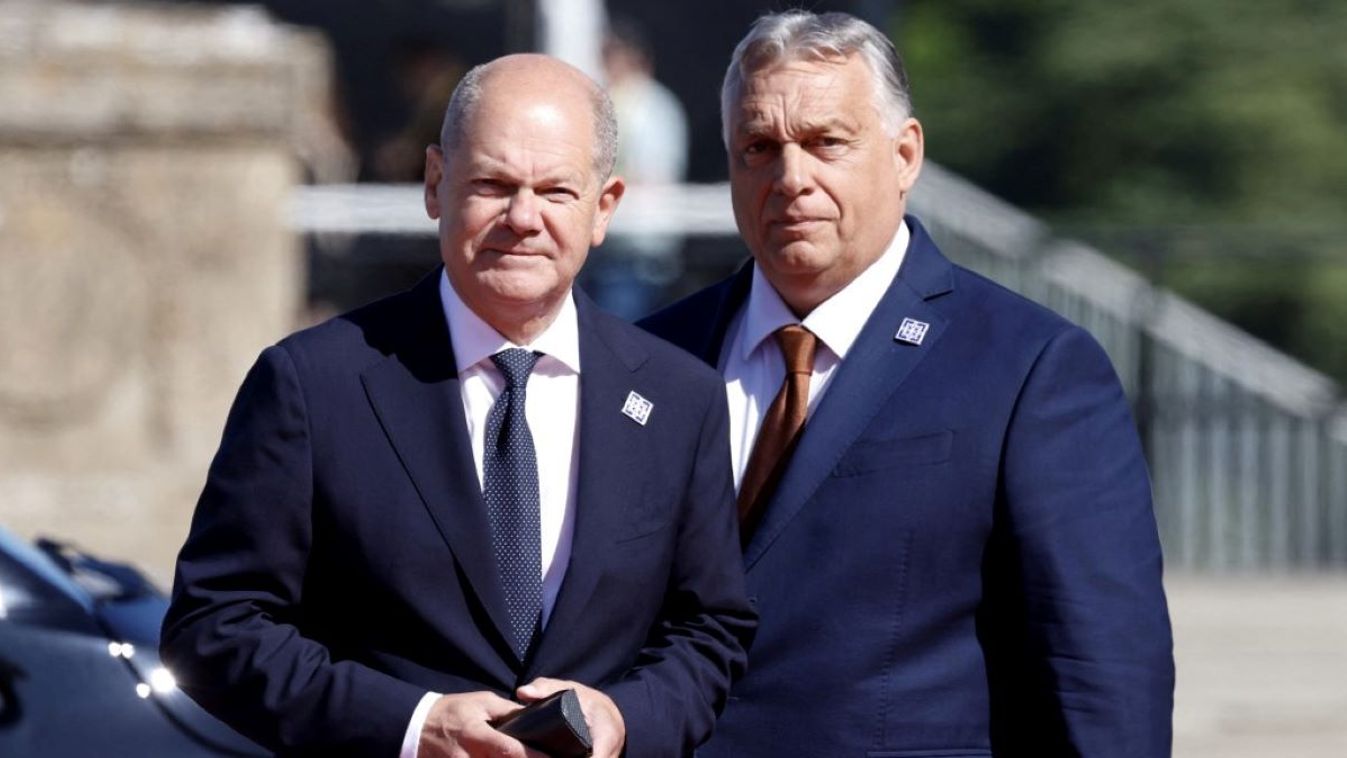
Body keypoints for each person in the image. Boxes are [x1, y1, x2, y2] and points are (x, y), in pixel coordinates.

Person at [161, 54, 754, 758]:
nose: (523, 218)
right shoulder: (312, 385)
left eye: (555, 191)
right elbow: (213, 627)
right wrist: (414, 726)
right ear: (436, 185)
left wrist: (624, 720)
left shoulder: (677, 398)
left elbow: (706, 630)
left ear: (604, 208)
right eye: (492, 184)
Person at [640, 11, 1174, 757]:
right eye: (759, 147)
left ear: (903, 154)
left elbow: (1098, 669)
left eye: (827, 142)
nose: (791, 178)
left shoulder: (1028, 368)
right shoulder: (653, 358)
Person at [580, 19, 691, 320]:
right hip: (608, 251)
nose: (603, 67)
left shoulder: (651, 107)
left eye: (608, 56)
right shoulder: (619, 103)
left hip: (639, 254)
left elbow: (653, 177)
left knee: (617, 344)